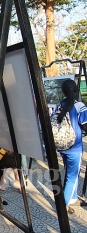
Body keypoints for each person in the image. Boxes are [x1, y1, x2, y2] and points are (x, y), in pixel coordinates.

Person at [53, 79, 87, 214]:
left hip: (61, 146)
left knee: (69, 172)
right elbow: (85, 125)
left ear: (63, 92)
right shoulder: (80, 106)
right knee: (72, 176)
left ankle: (71, 199)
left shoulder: (59, 105)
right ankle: (62, 206)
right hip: (75, 147)